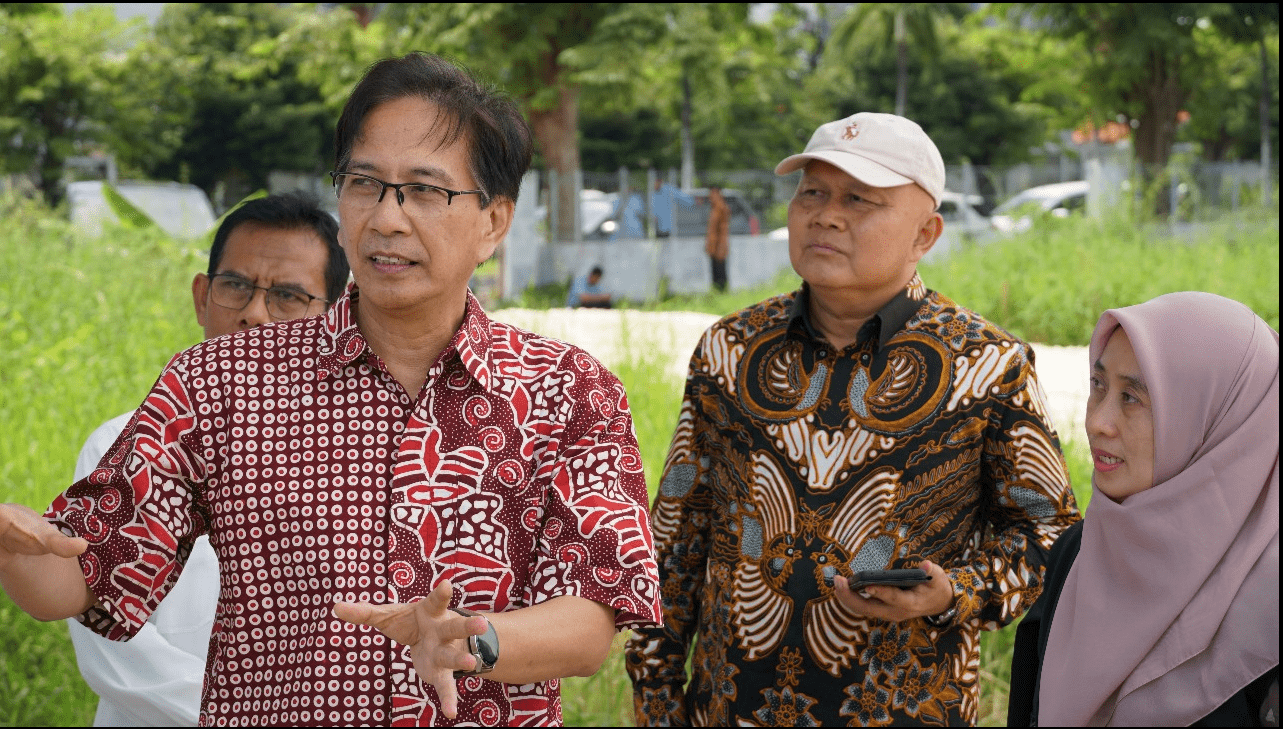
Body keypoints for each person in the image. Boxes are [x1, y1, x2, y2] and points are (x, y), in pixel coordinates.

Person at [0, 52, 661, 727]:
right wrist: (15, 550)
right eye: (363, 183)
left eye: (425, 190)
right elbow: (85, 576)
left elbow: (590, 618)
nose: (386, 217)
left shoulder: (567, 389)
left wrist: (472, 638)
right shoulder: (219, 382)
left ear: (493, 221)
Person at [625, 111, 1080, 726]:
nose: (826, 215)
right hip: (731, 708)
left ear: (926, 234)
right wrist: (656, 697)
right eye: (812, 192)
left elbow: (1048, 538)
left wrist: (956, 592)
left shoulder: (987, 365)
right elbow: (676, 538)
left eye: (860, 199)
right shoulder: (729, 352)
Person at [65, 192, 348, 727]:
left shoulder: (357, 457)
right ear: (202, 296)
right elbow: (111, 642)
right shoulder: (120, 446)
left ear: (334, 320)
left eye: (288, 295)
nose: (254, 314)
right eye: (236, 286)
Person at [1008, 292, 1279, 727]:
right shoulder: (1078, 556)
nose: (1097, 420)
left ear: (1215, 419)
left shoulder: (1268, 599)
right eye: (1099, 386)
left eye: (1131, 397)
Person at [705, 185, 730, 292]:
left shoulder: (721, 208)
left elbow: (724, 230)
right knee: (715, 270)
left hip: (719, 245)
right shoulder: (714, 208)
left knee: (720, 270)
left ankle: (722, 291)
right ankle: (717, 290)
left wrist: (721, 246)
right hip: (714, 245)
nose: (711, 196)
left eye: (713, 194)